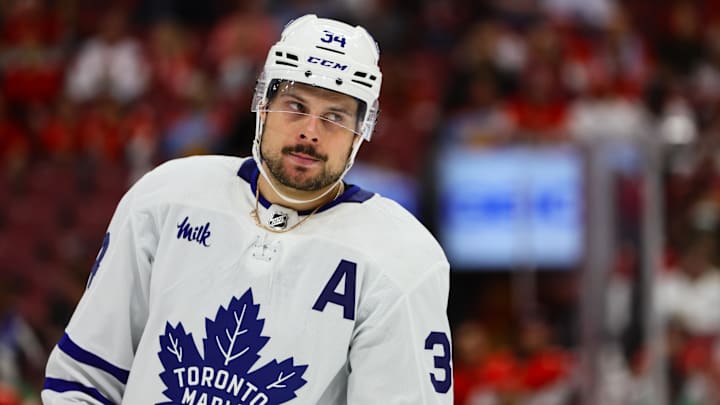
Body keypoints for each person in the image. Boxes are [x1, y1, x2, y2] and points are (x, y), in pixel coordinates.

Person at [42, 14, 453, 404]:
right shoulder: (166, 198)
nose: (310, 131)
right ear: (263, 103)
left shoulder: (401, 260)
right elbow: (84, 378)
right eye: (296, 106)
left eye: (335, 117)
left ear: (360, 132)